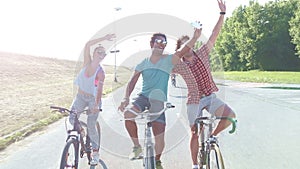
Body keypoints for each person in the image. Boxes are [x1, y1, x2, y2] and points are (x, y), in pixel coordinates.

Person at [118, 29, 201, 169]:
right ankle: (137, 146)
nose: (162, 44)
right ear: (152, 44)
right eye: (159, 41)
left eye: (164, 42)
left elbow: (183, 50)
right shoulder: (143, 62)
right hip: (143, 98)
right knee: (128, 114)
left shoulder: (169, 60)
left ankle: (157, 160)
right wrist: (125, 98)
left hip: (158, 101)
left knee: (160, 138)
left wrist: (194, 37)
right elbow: (132, 82)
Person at [172, 1, 236, 169]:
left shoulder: (202, 53)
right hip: (194, 101)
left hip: (210, 97)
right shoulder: (180, 64)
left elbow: (215, 33)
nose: (190, 47)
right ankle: (195, 165)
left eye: (191, 44)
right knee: (194, 132)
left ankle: (212, 137)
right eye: (186, 45)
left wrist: (222, 14)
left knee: (230, 115)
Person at [70, 33, 115, 165]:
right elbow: (87, 44)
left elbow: (99, 90)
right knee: (72, 117)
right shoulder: (86, 63)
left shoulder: (101, 72)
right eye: (99, 52)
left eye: (103, 54)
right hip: (80, 97)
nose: (101, 55)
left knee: (91, 125)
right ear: (94, 53)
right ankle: (80, 131)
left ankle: (95, 152)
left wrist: (95, 105)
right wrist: (104, 38)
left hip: (93, 99)